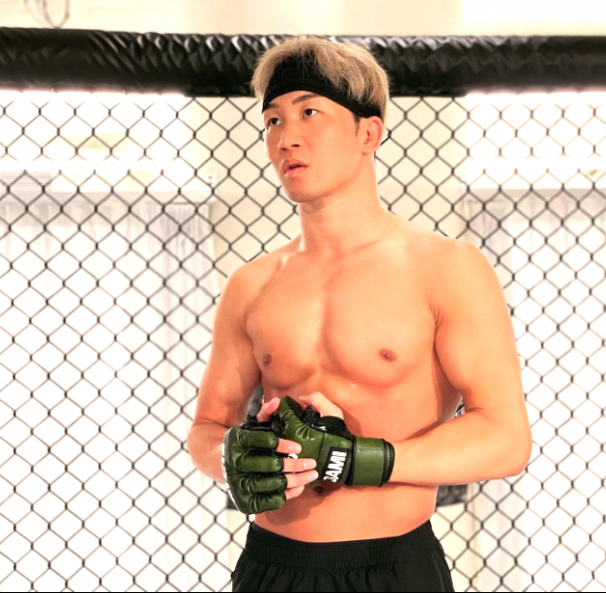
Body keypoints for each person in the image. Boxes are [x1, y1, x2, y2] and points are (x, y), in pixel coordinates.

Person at [187, 36, 532, 592]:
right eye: (273, 120)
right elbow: (206, 429)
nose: (286, 137)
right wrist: (232, 454)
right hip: (270, 567)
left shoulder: (446, 267)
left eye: (309, 112)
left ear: (368, 133)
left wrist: (361, 459)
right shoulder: (251, 285)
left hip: (392, 568)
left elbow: (506, 439)